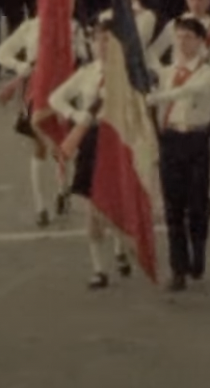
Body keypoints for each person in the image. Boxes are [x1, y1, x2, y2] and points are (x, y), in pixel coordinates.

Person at [50, 21, 133, 288]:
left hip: (119, 138)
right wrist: (77, 115)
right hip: (92, 138)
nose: (103, 45)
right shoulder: (87, 74)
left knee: (118, 200)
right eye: (99, 40)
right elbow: (56, 98)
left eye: (109, 40)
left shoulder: (130, 73)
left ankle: (121, 247)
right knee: (93, 206)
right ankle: (99, 268)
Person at [0, 12, 90, 226]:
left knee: (65, 143)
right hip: (36, 90)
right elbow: (1, 52)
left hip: (66, 88)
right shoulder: (30, 27)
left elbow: (84, 57)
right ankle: (40, 205)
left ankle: (62, 188)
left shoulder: (73, 26)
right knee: (39, 144)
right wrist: (21, 67)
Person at [146, 17, 210, 291]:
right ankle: (178, 267)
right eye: (179, 36)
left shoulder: (207, 72)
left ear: (200, 41)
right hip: (171, 138)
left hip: (197, 138)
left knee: (197, 203)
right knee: (172, 206)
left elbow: (192, 90)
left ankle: (198, 250)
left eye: (189, 37)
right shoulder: (165, 73)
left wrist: (159, 98)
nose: (182, 42)